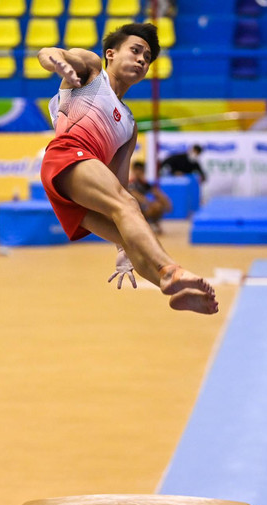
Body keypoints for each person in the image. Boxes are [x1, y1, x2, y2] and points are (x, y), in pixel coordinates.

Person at [37, 22, 218, 314]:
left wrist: (123, 247)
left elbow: (119, 186)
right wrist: (58, 62)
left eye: (147, 58)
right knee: (128, 206)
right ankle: (171, 270)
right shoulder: (91, 73)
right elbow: (48, 52)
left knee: (130, 229)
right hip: (65, 155)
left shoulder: (130, 126)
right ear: (110, 53)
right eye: (135, 51)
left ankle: (173, 288)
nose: (142, 60)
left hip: (74, 180)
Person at [128, 160, 172, 234]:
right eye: (137, 170)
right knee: (153, 206)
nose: (139, 172)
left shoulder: (144, 183)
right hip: (132, 208)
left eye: (141, 170)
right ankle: (139, 226)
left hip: (142, 207)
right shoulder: (130, 182)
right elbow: (135, 194)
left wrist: (166, 202)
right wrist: (149, 203)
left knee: (158, 206)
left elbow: (156, 192)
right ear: (134, 170)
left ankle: (154, 224)